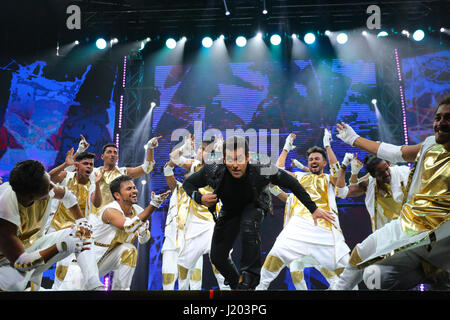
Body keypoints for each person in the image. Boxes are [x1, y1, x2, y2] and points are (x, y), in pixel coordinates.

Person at [182, 135, 335, 290]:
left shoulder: (262, 166)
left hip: (255, 203)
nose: (235, 165)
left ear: (248, 157)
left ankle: (250, 278)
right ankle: (237, 286)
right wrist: (200, 198)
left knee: (248, 225)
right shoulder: (213, 167)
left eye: (239, 159)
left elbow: (292, 183)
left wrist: (313, 209)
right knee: (217, 257)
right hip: (229, 208)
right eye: (230, 160)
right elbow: (188, 184)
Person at [331, 97, 450, 290]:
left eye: (448, 118)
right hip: (408, 227)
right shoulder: (429, 146)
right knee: (372, 274)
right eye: (438, 117)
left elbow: (395, 158)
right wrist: (355, 140)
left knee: (440, 283)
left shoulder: (400, 173)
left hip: (442, 241)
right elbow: (396, 152)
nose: (441, 123)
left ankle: (434, 275)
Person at [256, 130, 351, 290]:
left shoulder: (329, 179)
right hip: (299, 225)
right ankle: (260, 289)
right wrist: (286, 147)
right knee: (276, 253)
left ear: (323, 163)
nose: (313, 161)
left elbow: (340, 184)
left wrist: (327, 146)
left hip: (325, 227)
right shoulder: (299, 176)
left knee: (345, 272)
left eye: (317, 159)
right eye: (311, 159)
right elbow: (277, 172)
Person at [0, 160, 91, 291]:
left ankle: (94, 284)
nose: (53, 187)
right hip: (8, 261)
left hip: (30, 247)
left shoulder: (40, 188)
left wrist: (81, 221)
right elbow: (21, 263)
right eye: (47, 187)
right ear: (32, 196)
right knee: (15, 284)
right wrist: (60, 246)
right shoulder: (5, 208)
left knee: (80, 232)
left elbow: (68, 196)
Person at [170, 136, 230, 290]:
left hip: (214, 221)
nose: (202, 152)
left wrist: (221, 150)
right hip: (195, 223)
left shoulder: (221, 166)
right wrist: (185, 146)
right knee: (183, 263)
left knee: (220, 261)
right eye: (201, 149)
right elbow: (174, 158)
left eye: (206, 150)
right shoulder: (193, 165)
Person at [91, 175, 170, 290]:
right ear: (117, 195)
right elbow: (128, 227)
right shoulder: (110, 210)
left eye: (134, 188)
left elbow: (143, 240)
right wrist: (153, 205)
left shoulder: (138, 211)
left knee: (130, 250)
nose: (134, 191)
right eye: (129, 189)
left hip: (108, 258)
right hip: (87, 261)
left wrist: (143, 232)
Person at [47, 151, 104, 290]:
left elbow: (96, 204)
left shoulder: (92, 183)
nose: (89, 167)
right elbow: (49, 178)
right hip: (55, 228)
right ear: (77, 166)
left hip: (75, 229)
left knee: (67, 265)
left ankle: (93, 284)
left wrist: (97, 185)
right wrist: (65, 165)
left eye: (91, 164)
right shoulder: (67, 176)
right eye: (85, 164)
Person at [336, 153, 410, 232]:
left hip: (410, 225)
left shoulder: (403, 172)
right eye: (381, 173)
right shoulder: (368, 184)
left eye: (386, 169)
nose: (387, 174)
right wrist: (344, 166)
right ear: (373, 175)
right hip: (388, 232)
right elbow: (341, 192)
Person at [90, 136, 161, 219]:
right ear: (102, 156)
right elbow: (72, 171)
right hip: (97, 218)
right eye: (109, 152)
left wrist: (150, 148)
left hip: (118, 217)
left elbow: (147, 168)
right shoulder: (93, 172)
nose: (112, 154)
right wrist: (79, 151)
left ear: (117, 157)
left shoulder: (123, 172)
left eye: (115, 153)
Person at [161, 160, 203, 290]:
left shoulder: (204, 193)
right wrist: (176, 158)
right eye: (188, 173)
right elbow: (167, 170)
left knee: (195, 281)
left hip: (194, 242)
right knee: (168, 277)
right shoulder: (177, 188)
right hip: (172, 241)